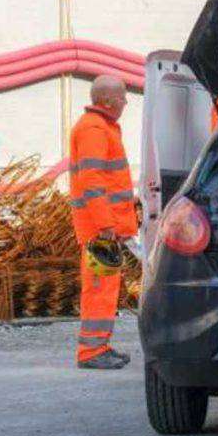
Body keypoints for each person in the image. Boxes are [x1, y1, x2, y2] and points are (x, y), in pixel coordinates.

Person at [69, 75, 137, 369]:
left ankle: (99, 346)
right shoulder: (94, 130)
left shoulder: (100, 127)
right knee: (99, 289)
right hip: (100, 229)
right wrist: (105, 224)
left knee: (104, 289)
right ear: (108, 101)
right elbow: (92, 182)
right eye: (122, 97)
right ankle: (91, 351)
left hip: (103, 227)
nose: (126, 102)